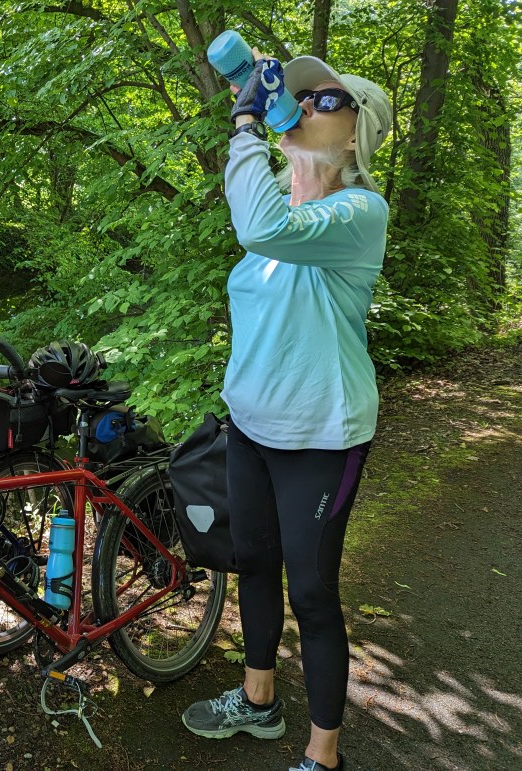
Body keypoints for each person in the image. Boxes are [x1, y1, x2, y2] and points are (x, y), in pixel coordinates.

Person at [180, 52, 394, 771]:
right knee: (253, 563)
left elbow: (262, 230)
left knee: (311, 590)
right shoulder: (279, 199)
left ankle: (322, 756)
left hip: (321, 437)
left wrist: (244, 121)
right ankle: (259, 700)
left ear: (358, 131)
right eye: (298, 96)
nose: (303, 104)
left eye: (325, 100)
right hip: (252, 428)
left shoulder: (359, 212)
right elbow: (263, 224)